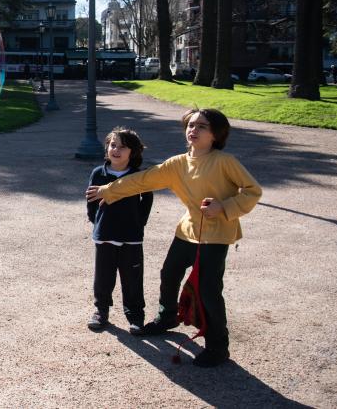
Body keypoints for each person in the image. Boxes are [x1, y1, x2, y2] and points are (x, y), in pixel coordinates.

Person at [86, 108, 261, 367]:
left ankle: (218, 346)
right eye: (191, 125)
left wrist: (223, 206)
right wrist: (108, 190)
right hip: (187, 230)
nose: (194, 130)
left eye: (202, 126)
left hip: (215, 236)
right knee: (169, 274)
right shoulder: (177, 163)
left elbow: (252, 191)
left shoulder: (226, 162)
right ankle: (168, 317)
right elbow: (142, 181)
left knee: (209, 291)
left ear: (215, 134)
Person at [86, 127, 153, 334]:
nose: (116, 150)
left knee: (132, 278)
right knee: (103, 277)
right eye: (112, 145)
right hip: (105, 234)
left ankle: (135, 316)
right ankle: (100, 311)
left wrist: (139, 221)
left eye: (122, 147)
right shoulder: (99, 173)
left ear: (132, 152)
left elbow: (147, 199)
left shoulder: (138, 175)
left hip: (131, 237)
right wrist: (96, 221)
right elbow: (91, 200)